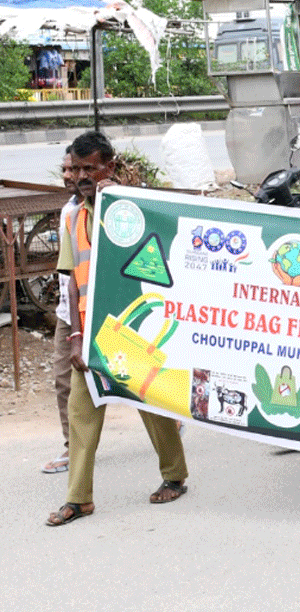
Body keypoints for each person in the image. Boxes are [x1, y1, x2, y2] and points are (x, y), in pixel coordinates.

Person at [46, 132, 189, 526]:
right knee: (81, 410)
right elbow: (72, 280)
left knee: (150, 403)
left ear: (109, 166)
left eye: (90, 168)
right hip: (90, 328)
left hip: (131, 327)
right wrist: (76, 335)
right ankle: (78, 498)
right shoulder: (73, 215)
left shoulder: (132, 206)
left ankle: (174, 475)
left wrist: (122, 196)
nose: (81, 176)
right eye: (77, 169)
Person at [43, 149, 78, 475]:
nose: (69, 175)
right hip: (70, 311)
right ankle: (72, 448)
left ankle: (167, 420)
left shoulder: (107, 208)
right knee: (63, 379)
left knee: (128, 375)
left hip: (102, 308)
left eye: (77, 169)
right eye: (66, 169)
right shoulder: (69, 210)